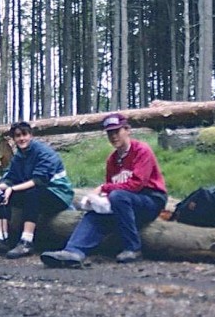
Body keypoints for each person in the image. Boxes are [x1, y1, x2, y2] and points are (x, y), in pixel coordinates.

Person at [41, 112, 167, 268]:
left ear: (127, 130)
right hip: (124, 203)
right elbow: (112, 189)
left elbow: (137, 184)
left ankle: (133, 248)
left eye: (117, 131)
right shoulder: (112, 160)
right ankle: (73, 252)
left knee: (118, 197)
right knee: (96, 214)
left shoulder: (141, 150)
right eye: (110, 133)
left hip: (151, 200)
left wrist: (103, 188)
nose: (113, 136)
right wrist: (95, 201)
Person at [0, 121, 74, 258]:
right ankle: (1, 239)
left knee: (32, 193)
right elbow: (10, 178)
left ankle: (26, 242)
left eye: (24, 134)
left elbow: (38, 181)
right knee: (2, 194)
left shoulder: (44, 152)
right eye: (17, 136)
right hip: (38, 193)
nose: (21, 138)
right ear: (14, 139)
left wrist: (13, 189)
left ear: (31, 135)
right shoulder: (19, 156)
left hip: (58, 194)